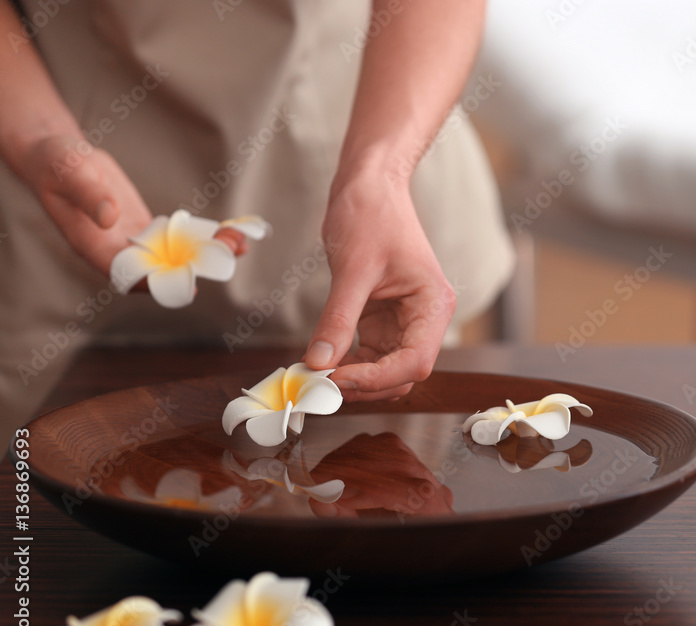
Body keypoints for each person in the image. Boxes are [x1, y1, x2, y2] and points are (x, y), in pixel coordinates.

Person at [0, 0, 515, 440]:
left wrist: (380, 172)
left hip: (357, 152)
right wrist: (37, 134)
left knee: (374, 504)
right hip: (55, 201)